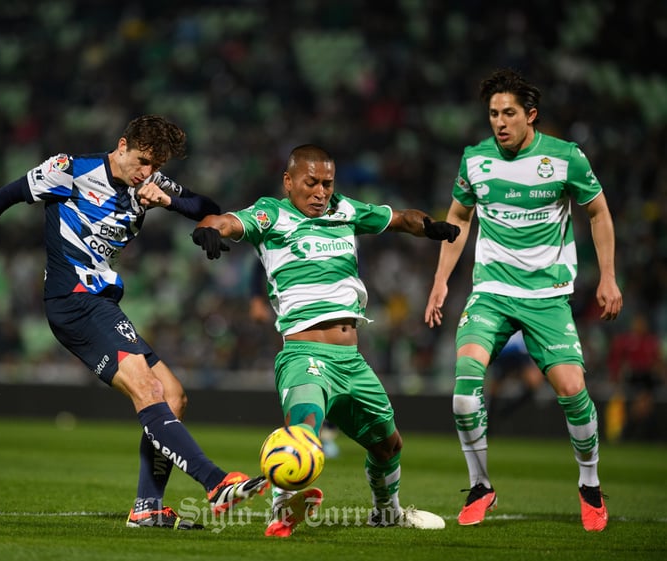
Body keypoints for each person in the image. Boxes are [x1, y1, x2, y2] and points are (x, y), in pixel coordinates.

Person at [0, 115, 267, 530]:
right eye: (143, 161)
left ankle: (148, 507)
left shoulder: (151, 184)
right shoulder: (69, 171)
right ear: (122, 145)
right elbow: (4, 196)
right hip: (72, 300)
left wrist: (168, 200)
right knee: (148, 390)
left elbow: (209, 209)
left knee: (174, 396)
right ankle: (217, 483)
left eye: (157, 167)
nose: (148, 173)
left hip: (102, 301)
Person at [192, 144, 459, 537]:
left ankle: (387, 512)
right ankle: (281, 509)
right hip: (305, 355)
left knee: (389, 445)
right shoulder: (272, 213)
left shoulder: (345, 211)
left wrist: (430, 226)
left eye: (327, 184)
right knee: (304, 430)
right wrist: (209, 229)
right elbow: (227, 220)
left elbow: (401, 219)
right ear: (288, 181)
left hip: (352, 361)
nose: (320, 192)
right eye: (311, 182)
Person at [423, 68, 623, 532]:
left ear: (531, 115)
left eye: (509, 113)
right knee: (463, 390)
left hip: (547, 295)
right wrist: (441, 279)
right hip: (491, 291)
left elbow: (598, 213)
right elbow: (458, 215)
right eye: (493, 113)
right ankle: (480, 486)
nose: (499, 122)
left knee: (573, 390)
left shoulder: (565, 158)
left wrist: (608, 277)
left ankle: (590, 487)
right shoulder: (475, 160)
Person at [249, 259, 341, 459]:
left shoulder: (341, 231)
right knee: (299, 363)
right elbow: (260, 259)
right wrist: (256, 298)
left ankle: (325, 429)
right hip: (291, 301)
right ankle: (307, 427)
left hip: (331, 303)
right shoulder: (281, 229)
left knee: (331, 366)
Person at [606, 312, 663, 441]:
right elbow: (617, 361)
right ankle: (645, 434)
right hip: (633, 378)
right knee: (643, 405)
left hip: (648, 378)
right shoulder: (626, 341)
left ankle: (628, 433)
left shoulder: (651, 342)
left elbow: (657, 362)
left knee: (641, 406)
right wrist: (616, 377)